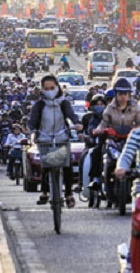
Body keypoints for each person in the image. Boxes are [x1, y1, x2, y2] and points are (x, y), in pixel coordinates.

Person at [28, 75, 83, 208]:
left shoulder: (64, 103)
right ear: (42, 89)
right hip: (44, 138)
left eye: (52, 88)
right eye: (46, 88)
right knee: (46, 166)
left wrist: (77, 124)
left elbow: (72, 115)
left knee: (66, 165)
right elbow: (33, 121)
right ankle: (44, 191)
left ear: (57, 87)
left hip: (61, 137)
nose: (49, 91)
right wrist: (30, 128)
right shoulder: (39, 105)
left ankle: (69, 194)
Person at [91, 78, 140, 192]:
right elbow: (103, 123)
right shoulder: (109, 108)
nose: (123, 96)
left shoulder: (135, 107)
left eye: (126, 93)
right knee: (96, 151)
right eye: (120, 93)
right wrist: (98, 130)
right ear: (116, 94)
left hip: (130, 140)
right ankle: (96, 179)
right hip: (112, 140)